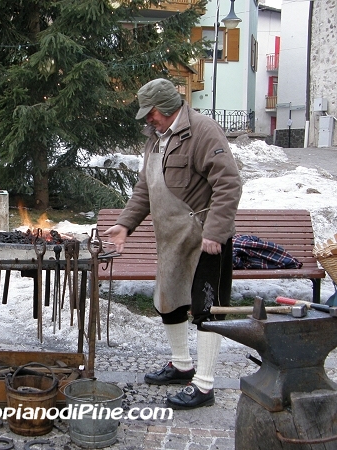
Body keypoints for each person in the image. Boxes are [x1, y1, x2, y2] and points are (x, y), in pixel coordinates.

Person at [104, 78, 242, 409]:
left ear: (166, 108)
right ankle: (182, 365)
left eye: (149, 113)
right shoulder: (154, 139)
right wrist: (125, 225)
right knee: (169, 302)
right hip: (170, 238)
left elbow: (229, 183)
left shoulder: (204, 132)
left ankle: (205, 386)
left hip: (203, 238)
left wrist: (214, 232)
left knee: (207, 308)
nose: (146, 120)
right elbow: (144, 189)